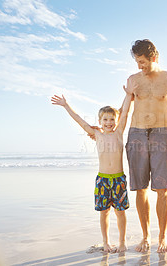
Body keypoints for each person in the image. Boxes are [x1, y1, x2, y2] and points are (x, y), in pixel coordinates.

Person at [51, 89, 132, 253]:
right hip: (102, 179)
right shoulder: (96, 134)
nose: (109, 122)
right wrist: (66, 105)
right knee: (104, 213)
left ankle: (122, 242)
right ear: (100, 121)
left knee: (120, 212)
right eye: (105, 119)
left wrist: (128, 95)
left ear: (116, 121)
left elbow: (125, 113)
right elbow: (80, 121)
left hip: (118, 180)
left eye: (112, 119)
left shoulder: (118, 133)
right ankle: (106, 242)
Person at [125, 39, 167, 253]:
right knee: (140, 188)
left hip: (161, 134)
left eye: (143, 62)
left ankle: (162, 236)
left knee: (162, 189)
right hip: (136, 134)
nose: (139, 66)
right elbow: (124, 110)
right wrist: (108, 132)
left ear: (154, 58)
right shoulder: (132, 79)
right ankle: (146, 236)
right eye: (137, 62)